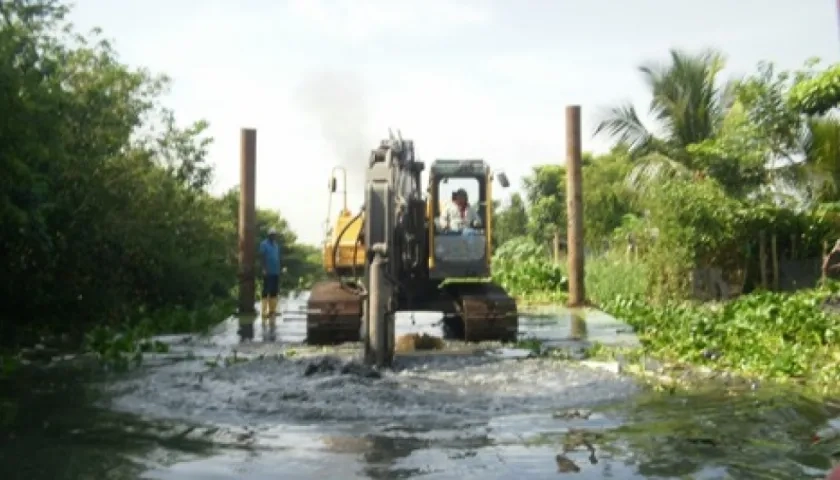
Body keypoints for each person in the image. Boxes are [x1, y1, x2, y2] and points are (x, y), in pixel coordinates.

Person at [259, 227, 281, 322]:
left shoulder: (276, 245)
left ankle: (272, 311)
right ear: (268, 235)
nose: (273, 236)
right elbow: (262, 257)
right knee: (266, 291)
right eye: (272, 234)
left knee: (274, 291)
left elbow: (277, 257)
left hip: (275, 271)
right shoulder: (264, 244)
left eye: (274, 234)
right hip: (268, 271)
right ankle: (264, 312)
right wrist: (264, 268)